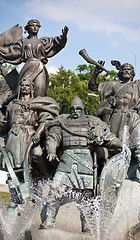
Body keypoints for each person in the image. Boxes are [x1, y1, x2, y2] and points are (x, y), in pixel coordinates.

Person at [40, 96, 125, 229]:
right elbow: (53, 138)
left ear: (83, 110)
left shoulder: (92, 123)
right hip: (66, 161)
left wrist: (122, 145)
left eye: (78, 109)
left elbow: (108, 138)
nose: (75, 111)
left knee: (87, 197)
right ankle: (49, 220)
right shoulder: (62, 122)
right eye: (73, 109)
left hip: (86, 163)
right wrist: (51, 151)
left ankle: (87, 224)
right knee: (55, 190)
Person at [88, 60, 140, 187]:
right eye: (124, 69)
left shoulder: (139, 85)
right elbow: (92, 86)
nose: (126, 71)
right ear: (119, 72)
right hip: (114, 118)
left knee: (139, 146)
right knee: (109, 148)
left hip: (132, 118)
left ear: (133, 73)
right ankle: (104, 174)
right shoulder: (113, 85)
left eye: (129, 69)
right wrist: (96, 72)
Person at [0, 78, 60, 206]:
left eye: (27, 86)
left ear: (32, 88)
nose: (25, 87)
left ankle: (45, 175)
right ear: (19, 88)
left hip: (30, 135)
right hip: (14, 136)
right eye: (22, 85)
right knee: (13, 167)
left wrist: (38, 133)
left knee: (37, 154)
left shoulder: (37, 103)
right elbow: (5, 124)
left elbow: (45, 120)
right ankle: (15, 197)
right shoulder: (12, 105)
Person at [0, 19, 69, 98]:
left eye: (37, 26)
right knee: (22, 93)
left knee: (39, 93)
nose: (35, 27)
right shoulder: (23, 42)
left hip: (40, 68)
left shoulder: (44, 41)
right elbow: (11, 52)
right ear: (28, 28)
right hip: (27, 68)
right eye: (32, 25)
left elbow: (58, 44)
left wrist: (64, 37)